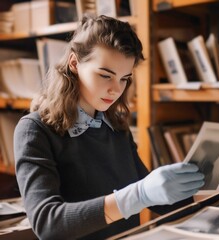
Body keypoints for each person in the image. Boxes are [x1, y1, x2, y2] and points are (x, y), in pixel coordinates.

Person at [14, 15, 206, 239]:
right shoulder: (34, 130)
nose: (116, 90)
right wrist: (138, 195)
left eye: (125, 78)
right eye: (106, 75)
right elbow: (48, 224)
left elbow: (160, 202)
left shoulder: (117, 127)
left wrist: (213, 189)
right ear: (74, 63)